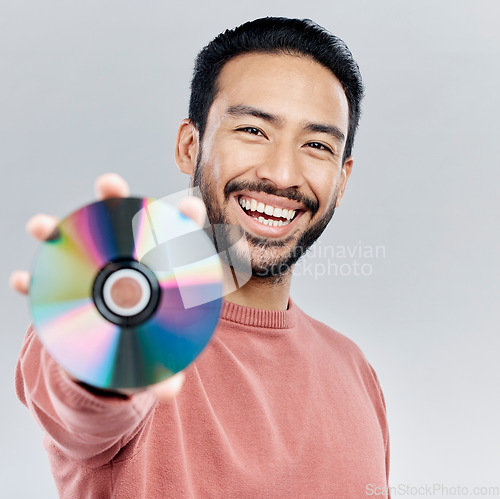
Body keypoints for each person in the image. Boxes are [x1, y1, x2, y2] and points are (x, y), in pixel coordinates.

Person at [11, 17, 390, 498]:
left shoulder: (355, 370)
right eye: (253, 130)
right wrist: (106, 309)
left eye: (317, 145)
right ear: (190, 147)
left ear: (342, 176)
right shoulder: (123, 326)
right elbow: (82, 407)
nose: (281, 173)